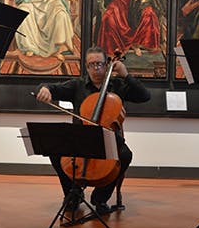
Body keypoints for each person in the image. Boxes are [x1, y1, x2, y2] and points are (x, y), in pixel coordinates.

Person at [35, 46, 150, 213]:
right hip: (80, 139)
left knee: (125, 155)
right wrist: (44, 89)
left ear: (106, 64)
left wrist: (126, 74)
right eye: (92, 65)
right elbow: (51, 87)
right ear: (87, 67)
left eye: (100, 64)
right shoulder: (77, 85)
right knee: (55, 152)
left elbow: (144, 96)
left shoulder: (118, 85)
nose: (96, 69)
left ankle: (99, 198)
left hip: (107, 140)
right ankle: (72, 195)